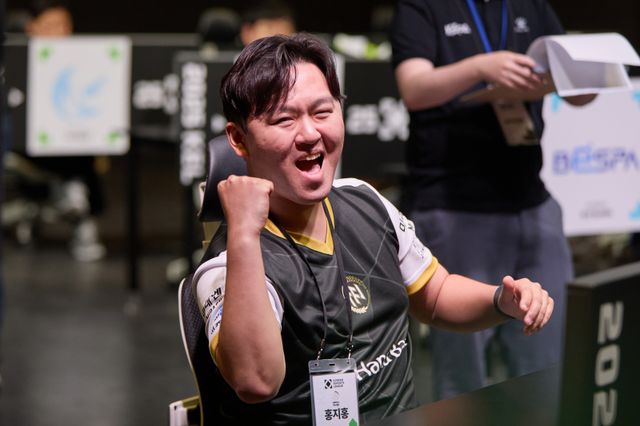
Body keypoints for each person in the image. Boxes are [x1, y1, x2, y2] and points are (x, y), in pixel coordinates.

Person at [192, 33, 554, 424]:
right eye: (284, 119)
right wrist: (244, 234)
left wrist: (501, 300)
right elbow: (256, 381)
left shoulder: (364, 201)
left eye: (323, 112)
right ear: (239, 139)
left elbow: (436, 295)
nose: (310, 134)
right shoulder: (228, 262)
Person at [389, 0, 574, 401]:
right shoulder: (423, 7)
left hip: (532, 200)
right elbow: (414, 89)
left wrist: (584, 78)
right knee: (462, 371)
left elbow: (576, 89)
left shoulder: (532, 6)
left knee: (547, 361)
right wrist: (480, 68)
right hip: (456, 204)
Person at [21, 0, 106, 261]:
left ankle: (79, 206)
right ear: (31, 28)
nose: (60, 32)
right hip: (25, 144)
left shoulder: (80, 64)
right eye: (50, 26)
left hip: (72, 148)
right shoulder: (15, 61)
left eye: (64, 25)